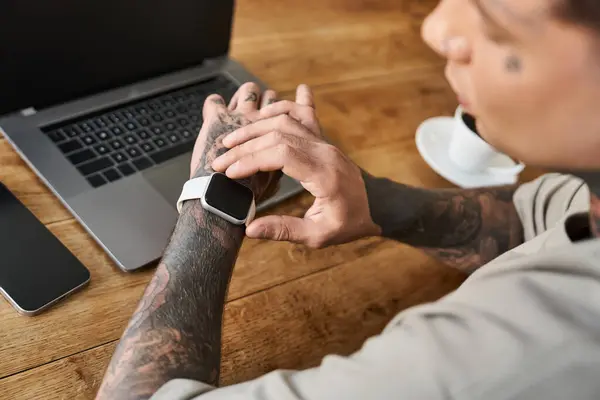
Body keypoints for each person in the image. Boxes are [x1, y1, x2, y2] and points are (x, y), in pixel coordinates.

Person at [95, 0, 600, 398]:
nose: (435, 28)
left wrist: (213, 196)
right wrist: (366, 195)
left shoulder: (534, 350)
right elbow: (527, 222)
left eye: (494, 17)